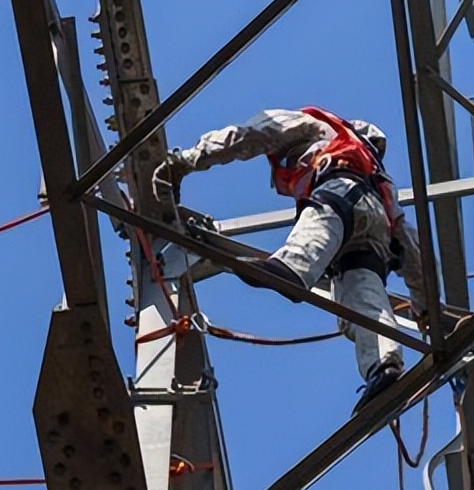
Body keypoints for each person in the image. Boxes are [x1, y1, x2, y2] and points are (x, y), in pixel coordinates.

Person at [152, 106, 429, 413]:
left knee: (319, 222)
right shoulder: (381, 180)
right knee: (363, 302)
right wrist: (425, 307)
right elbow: (409, 245)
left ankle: (291, 269)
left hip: (340, 193)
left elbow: (250, 135)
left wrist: (187, 160)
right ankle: (384, 366)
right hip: (376, 233)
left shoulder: (316, 127)